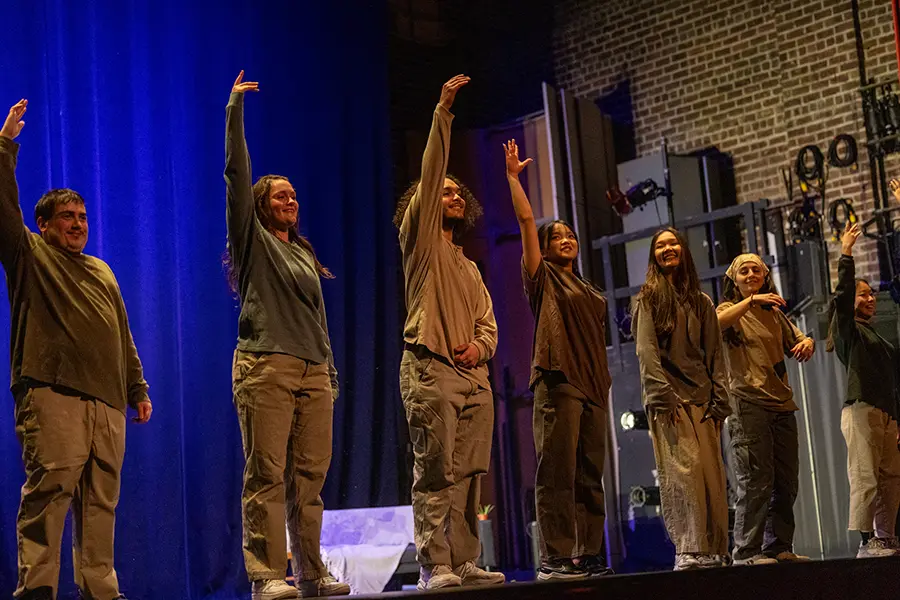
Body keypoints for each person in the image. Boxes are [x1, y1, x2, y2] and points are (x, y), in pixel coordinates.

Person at [0, 99, 152, 600]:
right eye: (67, 216)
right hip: (53, 393)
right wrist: (4, 146)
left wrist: (137, 387)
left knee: (101, 504)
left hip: (107, 403)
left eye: (83, 215)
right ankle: (38, 592)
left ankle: (101, 592)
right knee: (50, 495)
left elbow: (121, 332)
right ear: (44, 224)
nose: (78, 223)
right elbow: (3, 211)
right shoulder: (31, 254)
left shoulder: (103, 270)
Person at [224, 72, 349, 599]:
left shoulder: (302, 251)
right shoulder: (253, 242)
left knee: (310, 481)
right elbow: (236, 175)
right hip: (266, 366)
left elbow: (317, 323)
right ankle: (267, 574)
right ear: (261, 205)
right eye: (280, 196)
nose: (290, 201)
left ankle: (312, 572)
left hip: (313, 371)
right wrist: (235, 112)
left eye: (294, 195)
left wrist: (330, 371)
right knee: (267, 475)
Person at [393, 75, 504, 591]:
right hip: (431, 366)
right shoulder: (420, 246)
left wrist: (479, 347)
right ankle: (433, 564)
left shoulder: (468, 265)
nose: (453, 194)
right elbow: (431, 167)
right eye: (445, 190)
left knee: (470, 475)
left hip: (473, 377)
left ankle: (464, 560)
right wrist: (443, 113)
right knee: (435, 469)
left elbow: (489, 323)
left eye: (460, 192)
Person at [502, 139, 613, 580]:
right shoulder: (541, 278)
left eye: (570, 236)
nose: (565, 240)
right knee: (557, 472)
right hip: (558, 379)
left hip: (592, 385)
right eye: (557, 237)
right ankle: (554, 557)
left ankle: (588, 553)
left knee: (590, 474)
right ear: (545, 249)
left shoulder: (590, 290)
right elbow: (528, 221)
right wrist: (513, 179)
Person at [631, 227, 731, 571]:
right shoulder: (648, 299)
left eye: (673, 243)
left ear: (683, 251)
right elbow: (646, 352)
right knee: (683, 475)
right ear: (654, 257)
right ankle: (689, 548)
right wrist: (662, 396)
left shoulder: (701, 302)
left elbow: (715, 354)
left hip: (703, 400)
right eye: (660, 246)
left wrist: (720, 401)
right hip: (670, 401)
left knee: (711, 477)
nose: (668, 249)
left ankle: (714, 548)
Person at [716, 253, 815, 566]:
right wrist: (751, 300)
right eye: (743, 271)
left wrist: (807, 342)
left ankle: (778, 547)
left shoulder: (773, 311)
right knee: (755, 480)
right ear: (734, 278)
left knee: (786, 481)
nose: (750, 275)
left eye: (755, 270)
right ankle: (746, 552)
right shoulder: (728, 309)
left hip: (782, 402)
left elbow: (799, 339)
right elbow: (716, 324)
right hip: (748, 402)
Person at [829, 221, 900, 558]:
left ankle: (884, 538)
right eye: (864, 294)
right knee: (865, 477)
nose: (870, 298)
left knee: (891, 479)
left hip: (887, 414)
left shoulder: (880, 339)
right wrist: (846, 253)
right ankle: (864, 541)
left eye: (872, 294)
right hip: (862, 409)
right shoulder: (849, 332)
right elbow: (841, 299)